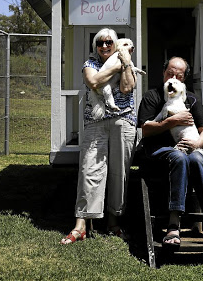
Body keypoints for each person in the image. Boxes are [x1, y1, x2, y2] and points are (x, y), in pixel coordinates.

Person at [138, 56, 203, 249]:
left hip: (188, 148)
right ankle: (173, 223)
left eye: (178, 75)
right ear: (163, 73)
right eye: (170, 73)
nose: (173, 78)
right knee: (178, 157)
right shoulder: (151, 96)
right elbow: (145, 129)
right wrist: (172, 121)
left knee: (197, 158)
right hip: (159, 150)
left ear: (184, 79)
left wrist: (197, 143)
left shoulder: (192, 99)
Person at [61, 28, 137, 244]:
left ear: (115, 44)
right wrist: (117, 65)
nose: (104, 46)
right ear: (95, 46)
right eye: (100, 43)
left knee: (118, 172)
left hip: (123, 121)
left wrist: (125, 63)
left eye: (109, 42)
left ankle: (113, 221)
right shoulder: (89, 64)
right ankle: (81, 225)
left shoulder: (126, 61)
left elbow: (127, 87)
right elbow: (93, 82)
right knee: (89, 170)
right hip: (95, 122)